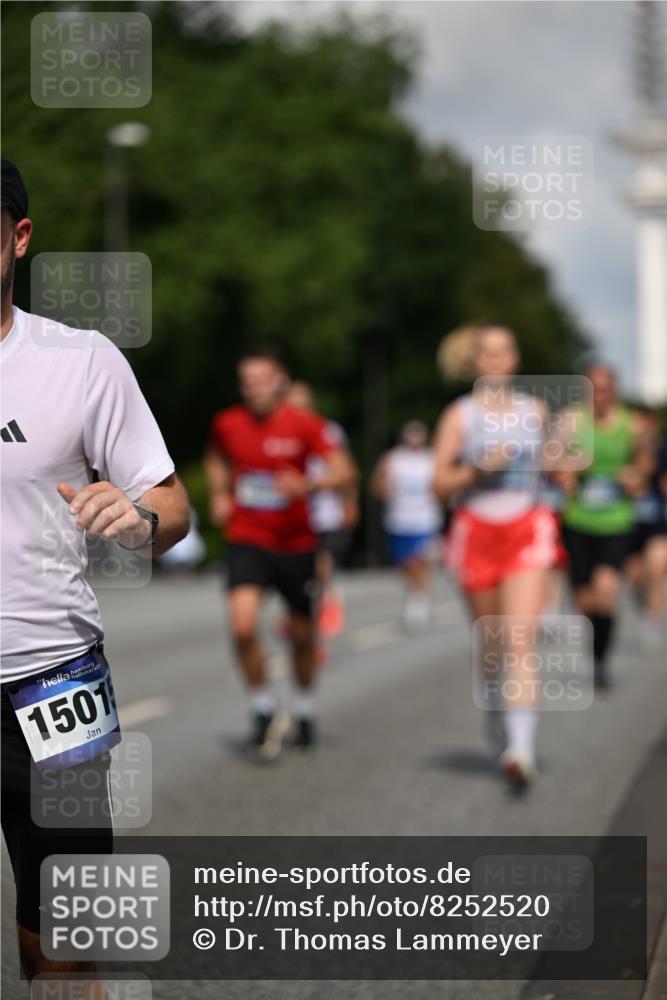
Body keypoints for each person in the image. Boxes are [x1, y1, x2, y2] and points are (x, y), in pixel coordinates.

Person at [0, 159, 190, 990]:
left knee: (63, 933)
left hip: (53, 677)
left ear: (18, 237)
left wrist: (138, 520)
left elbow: (174, 508)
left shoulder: (80, 361)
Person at [204, 347, 355, 757]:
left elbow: (344, 471)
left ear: (280, 381)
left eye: (262, 379)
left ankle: (304, 709)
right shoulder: (228, 423)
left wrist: (307, 486)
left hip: (296, 543)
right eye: (246, 381)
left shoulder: (304, 424)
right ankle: (263, 707)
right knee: (241, 626)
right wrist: (219, 493)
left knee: (303, 637)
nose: (254, 388)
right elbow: (215, 458)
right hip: (247, 538)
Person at [434, 323, 558, 789]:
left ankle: (520, 750)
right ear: (474, 363)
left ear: (515, 359)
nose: (496, 360)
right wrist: (476, 469)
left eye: (504, 351)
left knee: (521, 640)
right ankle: (494, 701)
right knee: (492, 644)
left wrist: (563, 469)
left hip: (526, 529)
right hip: (477, 533)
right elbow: (439, 484)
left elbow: (552, 471)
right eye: (486, 353)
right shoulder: (459, 416)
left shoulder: (535, 411)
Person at [555, 368, 652, 687]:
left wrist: (634, 476)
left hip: (616, 520)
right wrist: (566, 468)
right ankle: (596, 640)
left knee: (606, 590)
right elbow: (551, 459)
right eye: (593, 389)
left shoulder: (632, 423)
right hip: (578, 521)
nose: (600, 396)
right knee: (586, 600)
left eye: (605, 389)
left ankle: (600, 662)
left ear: (615, 390)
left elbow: (645, 464)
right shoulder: (571, 420)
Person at [286, 380, 359, 660]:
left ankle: (319, 624)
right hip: (290, 517)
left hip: (324, 514)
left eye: (303, 403)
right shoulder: (278, 432)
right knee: (297, 580)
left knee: (318, 570)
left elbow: (346, 471)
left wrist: (349, 502)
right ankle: (306, 619)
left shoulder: (328, 431)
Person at [372, 421, 442, 631]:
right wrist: (384, 485)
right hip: (399, 519)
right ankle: (415, 590)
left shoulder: (432, 459)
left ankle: (418, 601)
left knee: (418, 562)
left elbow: (442, 484)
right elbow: (377, 486)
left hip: (425, 518)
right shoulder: (392, 458)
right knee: (404, 564)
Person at [624, 408, 667, 652]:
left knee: (655, 570)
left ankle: (653, 626)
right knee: (636, 577)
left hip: (657, 525)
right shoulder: (623, 453)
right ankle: (644, 599)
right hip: (628, 524)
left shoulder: (662, 453)